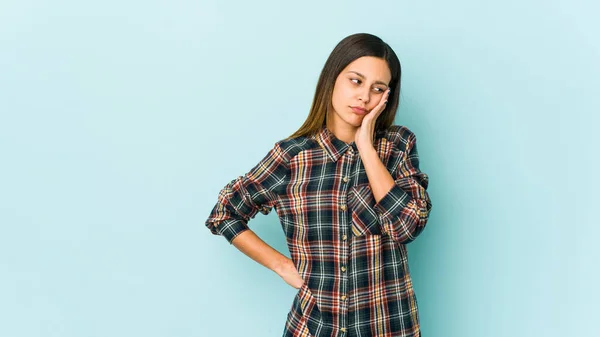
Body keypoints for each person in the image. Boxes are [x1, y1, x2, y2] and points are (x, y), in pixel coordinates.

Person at [205, 32, 432, 337]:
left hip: (388, 327)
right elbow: (224, 213)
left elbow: (406, 226)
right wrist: (281, 266)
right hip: (314, 327)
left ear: (387, 97)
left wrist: (366, 147)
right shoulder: (292, 157)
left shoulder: (397, 146)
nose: (364, 97)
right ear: (332, 79)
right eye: (355, 81)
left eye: (377, 89)